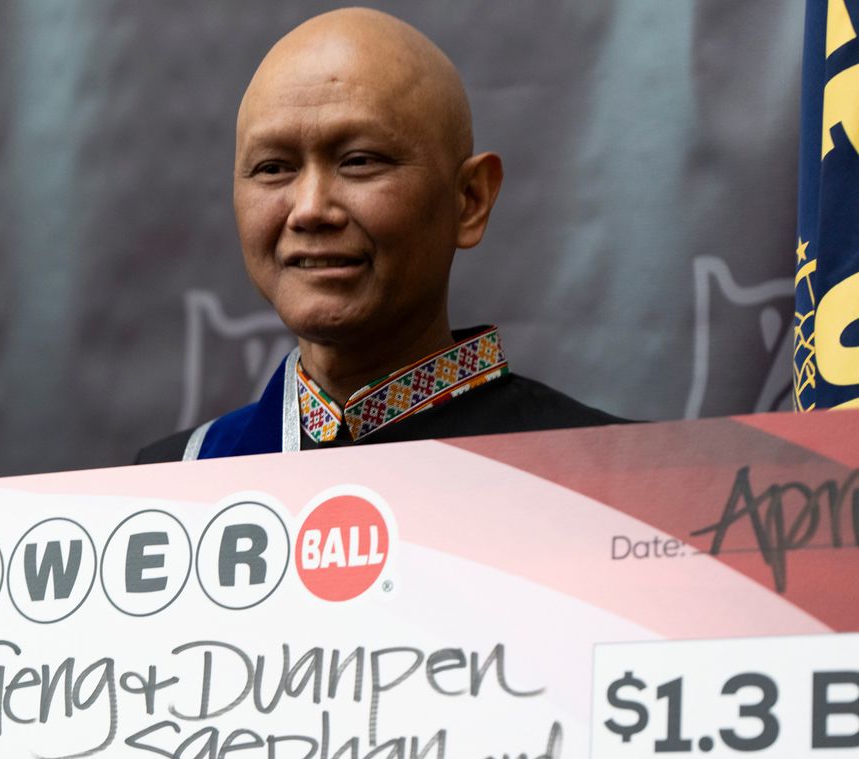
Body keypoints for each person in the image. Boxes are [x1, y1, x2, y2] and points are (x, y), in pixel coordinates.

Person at [137, 7, 623, 464]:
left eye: (359, 161)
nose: (310, 210)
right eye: (273, 168)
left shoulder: (608, 482)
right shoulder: (171, 488)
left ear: (470, 200)